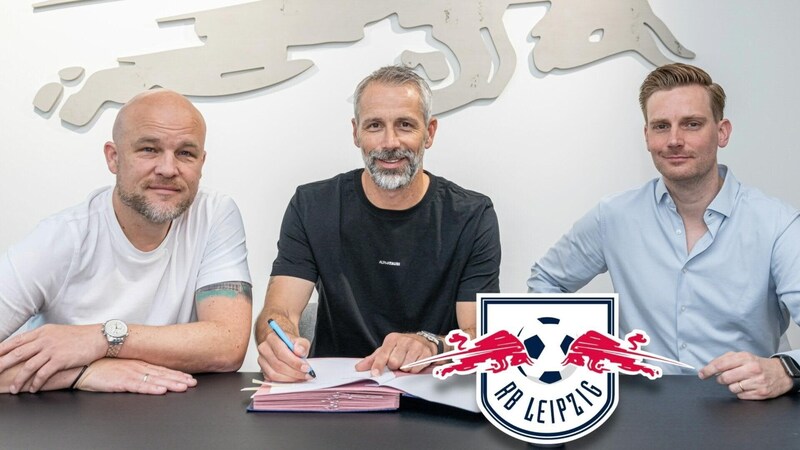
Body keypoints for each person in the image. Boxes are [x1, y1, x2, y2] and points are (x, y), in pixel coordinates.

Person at [528, 63, 800, 400]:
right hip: (637, 409)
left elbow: (787, 368)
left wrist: (786, 369)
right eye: (661, 126)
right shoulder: (614, 217)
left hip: (742, 411)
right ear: (647, 137)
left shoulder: (778, 225)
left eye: (692, 124)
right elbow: (545, 282)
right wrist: (574, 345)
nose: (674, 140)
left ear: (722, 132)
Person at [255, 65, 501, 381]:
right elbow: (280, 313)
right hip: (335, 394)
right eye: (374, 125)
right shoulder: (312, 206)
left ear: (430, 133)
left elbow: (478, 332)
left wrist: (432, 344)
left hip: (433, 391)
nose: (389, 142)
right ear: (356, 132)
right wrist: (277, 342)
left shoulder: (472, 215)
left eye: (405, 125)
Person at [0, 90, 252, 395]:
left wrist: (101, 340)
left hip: (176, 420)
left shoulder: (214, 214)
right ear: (113, 157)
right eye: (149, 149)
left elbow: (228, 344)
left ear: (202, 162)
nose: (168, 169)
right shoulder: (63, 237)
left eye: (186, 153)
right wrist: (82, 372)